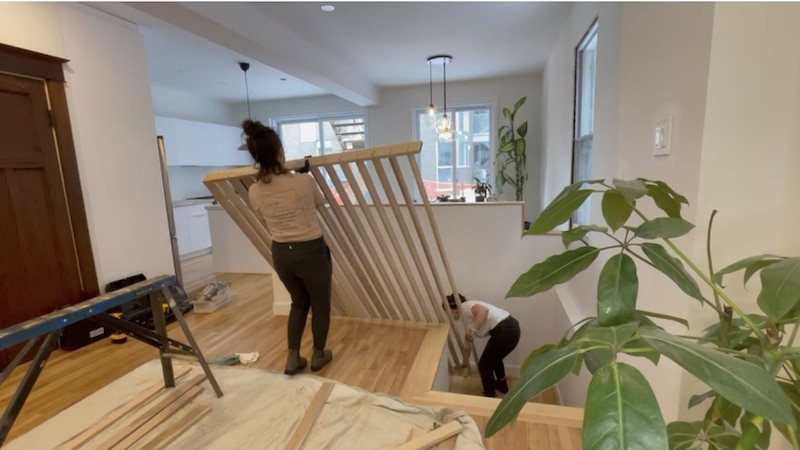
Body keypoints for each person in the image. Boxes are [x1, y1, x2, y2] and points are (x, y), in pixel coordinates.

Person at [242, 119, 333, 375]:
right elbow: (318, 203)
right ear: (280, 152)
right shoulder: (304, 181)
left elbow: (263, 218)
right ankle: (318, 354)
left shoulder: (254, 191)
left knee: (298, 302)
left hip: (282, 253)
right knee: (320, 303)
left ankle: (292, 358)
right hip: (311, 250)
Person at [447, 294, 520, 397]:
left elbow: (483, 311)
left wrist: (473, 330)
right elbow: (467, 344)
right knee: (495, 359)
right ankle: (502, 386)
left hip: (506, 330)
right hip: (511, 328)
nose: (449, 316)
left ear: (452, 308)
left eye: (448, 312)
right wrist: (464, 363)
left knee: (484, 365)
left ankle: (489, 396)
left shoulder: (464, 307)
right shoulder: (468, 317)